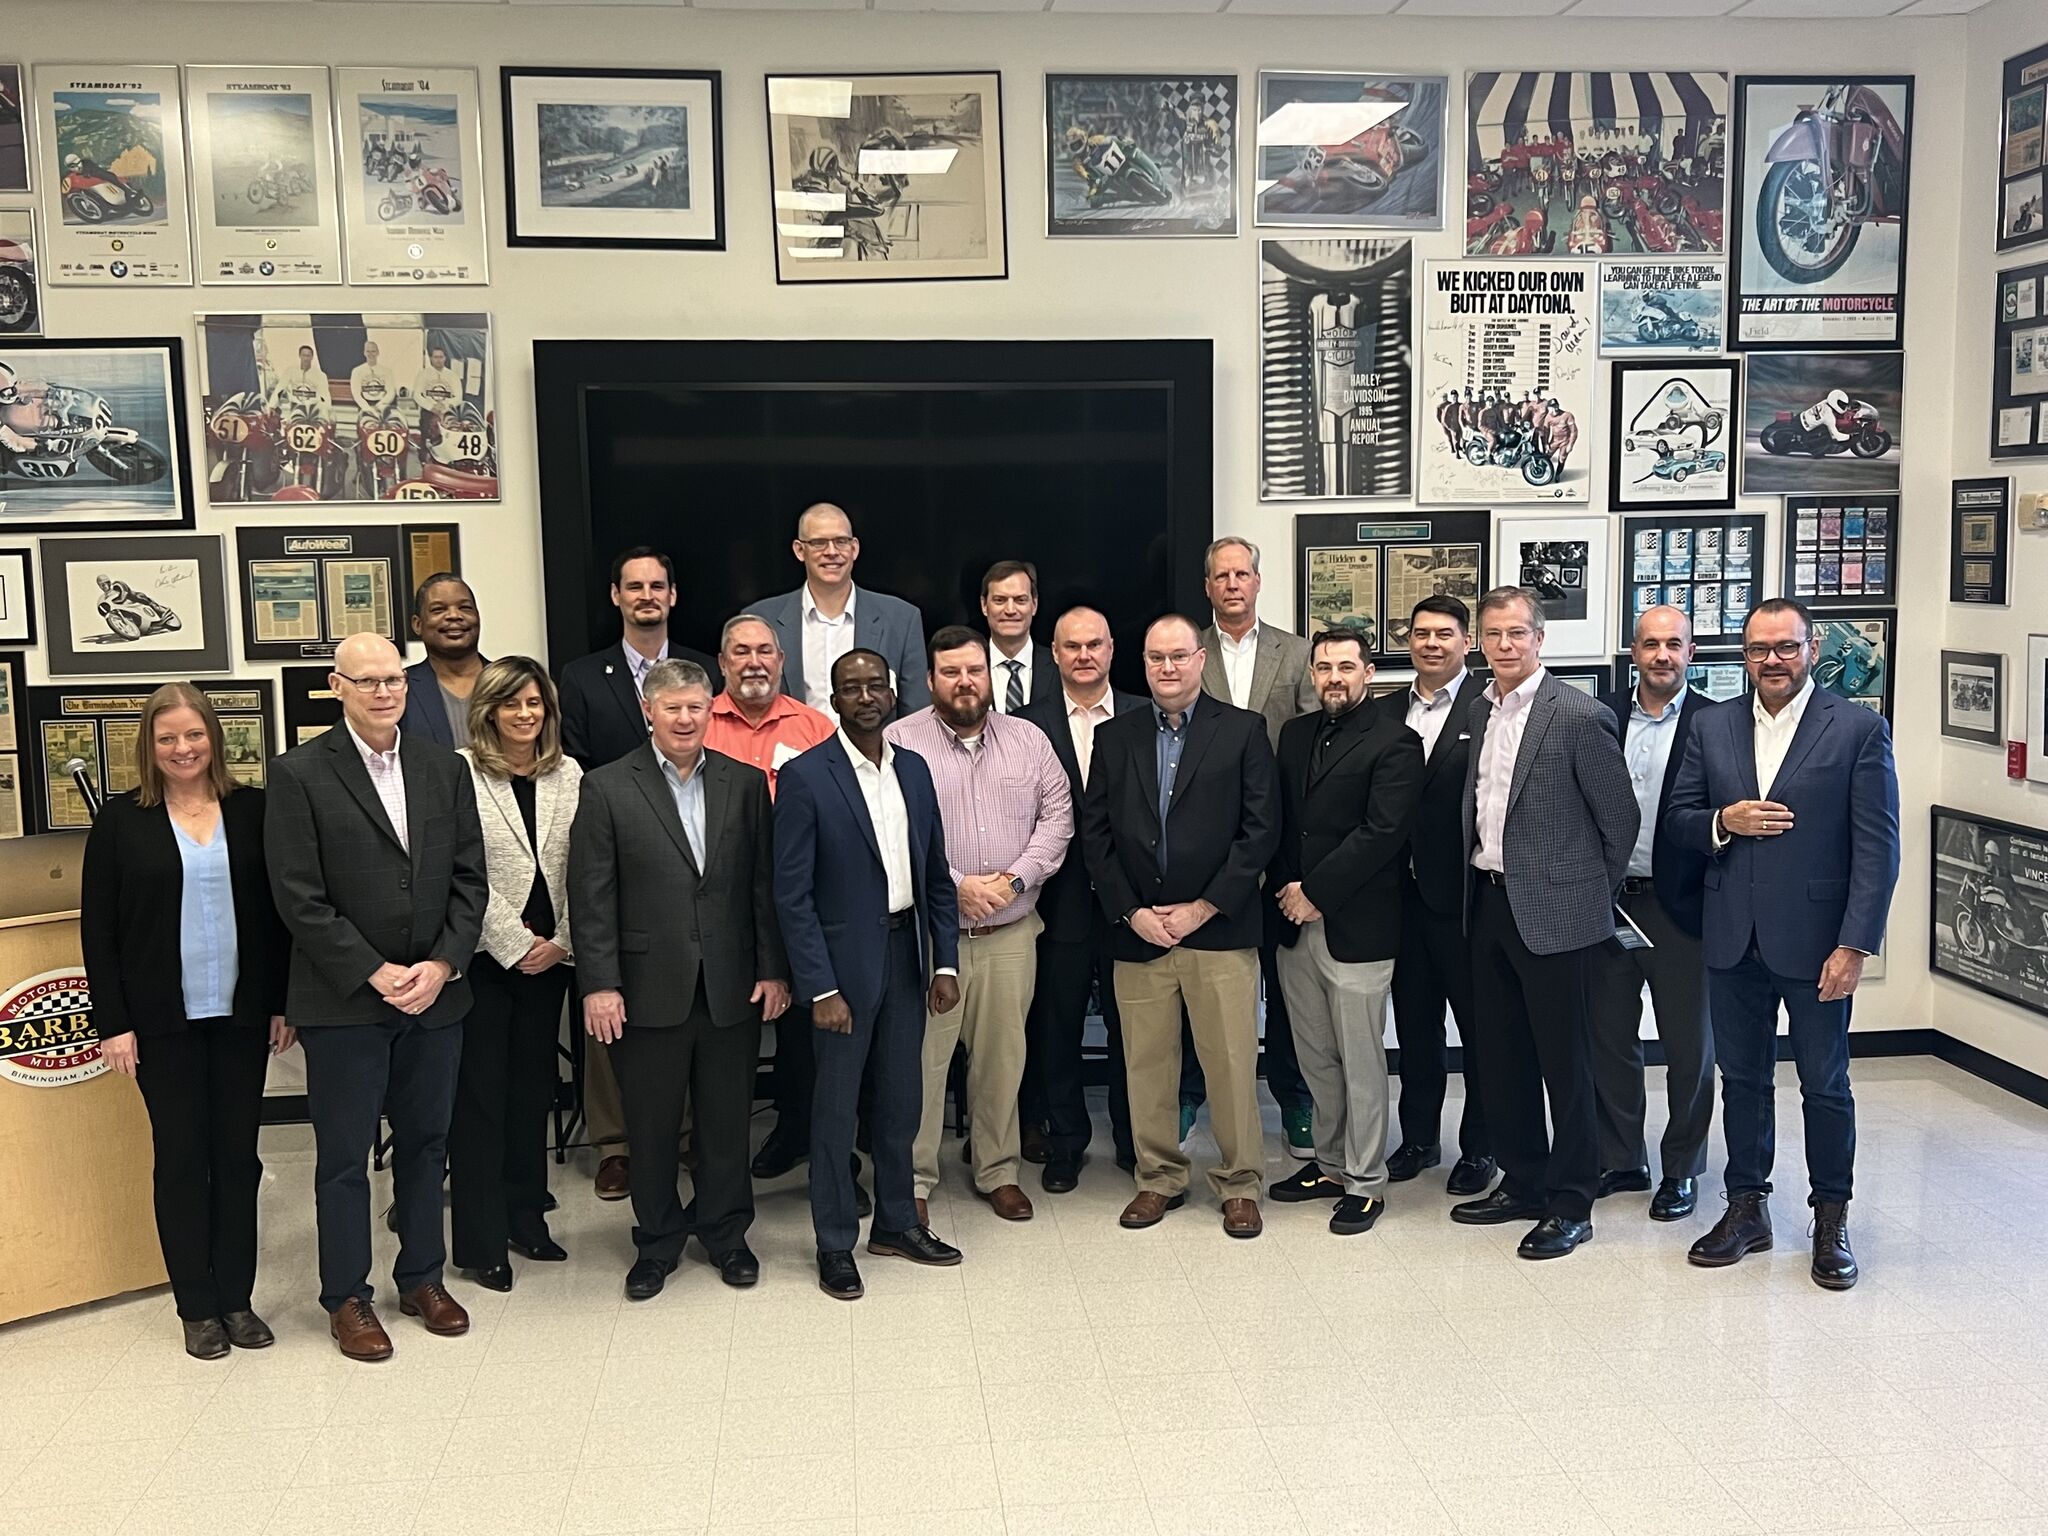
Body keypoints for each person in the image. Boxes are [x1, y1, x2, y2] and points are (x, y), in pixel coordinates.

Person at [265, 632, 487, 1361]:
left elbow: (470, 878)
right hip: (346, 1003)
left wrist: (444, 963)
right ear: (338, 687)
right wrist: (372, 970)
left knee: (427, 1145)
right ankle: (346, 1297)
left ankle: (422, 1278)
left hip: (434, 997)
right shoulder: (299, 773)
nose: (385, 692)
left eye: (394, 679)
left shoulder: (443, 767)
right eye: (368, 681)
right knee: (343, 1157)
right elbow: (297, 896)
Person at [1667, 599, 1901, 1289]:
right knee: (1741, 1080)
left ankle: (1830, 1220)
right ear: (1743, 655)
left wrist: (1855, 944)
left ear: (1811, 649)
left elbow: (1878, 849)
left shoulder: (1857, 728)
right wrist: (1723, 820)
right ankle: (1747, 1209)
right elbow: (1678, 819)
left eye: (1786, 647)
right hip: (1732, 937)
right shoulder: (1711, 724)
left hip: (1817, 943)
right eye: (1758, 649)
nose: (1772, 660)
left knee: (1825, 1085)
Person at [80, 684, 294, 1361]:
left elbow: (279, 916)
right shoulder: (122, 821)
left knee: (237, 1158)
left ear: (214, 739)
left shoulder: (254, 809)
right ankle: (196, 1306)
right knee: (180, 1159)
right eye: (167, 737)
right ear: (149, 746)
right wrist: (113, 1023)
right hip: (159, 1023)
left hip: (240, 1016)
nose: (182, 748)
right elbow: (99, 930)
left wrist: (282, 1001)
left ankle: (236, 1298)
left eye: (194, 734)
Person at [571, 659, 790, 1299]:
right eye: (673, 708)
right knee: (652, 1127)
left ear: (709, 709)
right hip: (644, 989)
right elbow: (591, 896)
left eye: (696, 707)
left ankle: (727, 1234)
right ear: (649, 711)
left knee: (726, 1123)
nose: (686, 719)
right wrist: (600, 984)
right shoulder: (607, 787)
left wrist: (773, 970)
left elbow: (762, 886)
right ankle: (658, 1241)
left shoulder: (743, 783)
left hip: (731, 985)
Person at [1452, 587, 1637, 1261]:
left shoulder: (1578, 715)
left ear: (1540, 639)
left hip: (1560, 915)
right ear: (1481, 641)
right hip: (1489, 903)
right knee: (1503, 1058)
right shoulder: (1480, 708)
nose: (1504, 645)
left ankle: (1572, 1201)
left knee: (1567, 1064)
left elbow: (1619, 822)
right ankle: (1525, 1180)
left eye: (1517, 633)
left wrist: (1582, 896)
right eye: (1493, 634)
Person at [1082, 614, 1280, 1238]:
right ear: (1142, 663)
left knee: (1230, 1065)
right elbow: (1095, 835)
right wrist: (1132, 912)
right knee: (1146, 1065)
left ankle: (1240, 1183)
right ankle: (1159, 1177)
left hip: (1218, 931)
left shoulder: (1243, 730)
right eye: (1155, 658)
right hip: (1139, 933)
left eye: (1178, 656)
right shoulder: (1115, 737)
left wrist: (1203, 907)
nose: (1166, 668)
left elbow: (1260, 832)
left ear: (1200, 659)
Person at [774, 649, 962, 1300]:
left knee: (901, 1103)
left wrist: (944, 961)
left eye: (874, 686)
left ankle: (897, 1223)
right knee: (834, 1115)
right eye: (850, 688)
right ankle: (834, 1243)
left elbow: (936, 874)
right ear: (834, 700)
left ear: (893, 693)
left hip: (906, 957)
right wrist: (820, 987)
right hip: (841, 973)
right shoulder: (806, 777)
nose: (865, 697)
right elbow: (791, 896)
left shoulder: (914, 769)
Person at [885, 627, 1072, 1223]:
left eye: (974, 670)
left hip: (1011, 934)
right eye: (951, 672)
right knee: (922, 1064)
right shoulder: (899, 741)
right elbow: (891, 829)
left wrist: (1013, 881)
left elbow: (1058, 818)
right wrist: (956, 884)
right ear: (930, 680)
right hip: (930, 939)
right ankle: (913, 1179)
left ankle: (998, 1171)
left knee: (1002, 1062)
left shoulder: (1029, 739)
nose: (965, 682)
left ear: (989, 676)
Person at [556, 545, 713, 1198]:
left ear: (673, 595)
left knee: (690, 999)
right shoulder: (582, 675)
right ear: (616, 596)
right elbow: (575, 764)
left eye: (657, 585)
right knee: (608, 992)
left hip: (694, 856)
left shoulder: (705, 667)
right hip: (616, 847)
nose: (647, 595)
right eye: (634, 586)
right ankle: (615, 1143)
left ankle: (686, 1135)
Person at [1268, 628, 1423, 1235]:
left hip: (1357, 927)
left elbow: (1382, 834)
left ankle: (1365, 1181)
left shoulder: (1395, 741)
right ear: (1311, 674)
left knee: (1360, 1061)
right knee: (1316, 1058)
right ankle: (1330, 1165)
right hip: (1294, 924)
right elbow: (1283, 823)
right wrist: (1290, 891)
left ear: (1368, 673)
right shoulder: (1294, 734)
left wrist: (1315, 893)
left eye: (1346, 666)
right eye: (1324, 667)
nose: (1334, 677)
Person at [449, 658, 582, 1293]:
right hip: (485, 963)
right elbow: (461, 869)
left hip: (551, 962)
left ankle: (527, 1218)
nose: (525, 714)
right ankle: (482, 1242)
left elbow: (588, 864)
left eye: (535, 703)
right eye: (512, 703)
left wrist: (561, 943)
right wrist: (515, 942)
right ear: (490, 711)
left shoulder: (569, 774)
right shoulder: (460, 772)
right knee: (481, 1101)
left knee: (533, 1093)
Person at [702, 613, 839, 1182]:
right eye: (741, 652)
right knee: (725, 1028)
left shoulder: (815, 727)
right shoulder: (697, 723)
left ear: (782, 661)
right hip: (720, 905)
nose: (754, 662)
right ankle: (717, 1158)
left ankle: (803, 1134)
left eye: (764, 651)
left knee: (806, 1032)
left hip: (802, 902)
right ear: (722, 662)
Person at [1590, 606, 1716, 1222]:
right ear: (1633, 651)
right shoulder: (1600, 716)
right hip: (1608, 903)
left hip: (1681, 907)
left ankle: (1682, 1169)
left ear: (1691, 652)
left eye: (1673, 644)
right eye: (1650, 644)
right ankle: (1622, 1158)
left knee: (1689, 1047)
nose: (1661, 655)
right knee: (1609, 1039)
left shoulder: (1717, 723)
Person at [1017, 606, 1147, 1191]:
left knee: (1134, 1029)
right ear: (1055, 654)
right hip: (1058, 901)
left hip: (1133, 902)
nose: (1084, 655)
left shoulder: (1146, 713)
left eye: (1095, 644)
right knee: (1057, 1025)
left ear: (1112, 649)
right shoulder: (1026, 724)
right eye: (1072, 646)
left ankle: (1134, 1141)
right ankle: (1066, 1141)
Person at [1196, 536, 1318, 1159]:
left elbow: (1311, 741)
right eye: (1222, 576)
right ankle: (1192, 1092)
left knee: (1285, 980)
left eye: (1242, 574)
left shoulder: (1296, 653)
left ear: (1258, 581)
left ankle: (1294, 1097)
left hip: (1280, 841)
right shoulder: (1188, 653)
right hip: (1206, 845)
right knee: (1202, 976)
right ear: (1208, 587)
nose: (1233, 585)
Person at [1376, 596, 1494, 1195]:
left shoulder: (1489, 704)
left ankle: (1481, 1148)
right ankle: (1419, 1139)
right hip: (1401, 899)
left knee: (1479, 1031)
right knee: (1416, 1029)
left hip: (1467, 900)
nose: (1430, 644)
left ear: (1466, 641)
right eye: (1420, 634)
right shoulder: (1385, 710)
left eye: (1444, 634)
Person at [752, 503, 928, 716]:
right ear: (799, 550)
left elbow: (916, 715)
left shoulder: (901, 618)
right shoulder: (761, 620)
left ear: (854, 548)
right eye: (819, 543)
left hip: (877, 739)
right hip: (790, 739)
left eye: (841, 541)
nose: (831, 552)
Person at [400, 573, 485, 749]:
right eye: (438, 610)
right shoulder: (400, 688)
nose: (454, 615)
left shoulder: (511, 681)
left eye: (465, 608)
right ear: (417, 624)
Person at [981, 560, 1053, 714]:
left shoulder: (1059, 667)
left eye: (1020, 600)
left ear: (1034, 605)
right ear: (984, 605)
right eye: (999, 600)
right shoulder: (967, 669)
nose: (1010, 610)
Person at [409, 343, 461, 430]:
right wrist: (431, 406)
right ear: (431, 358)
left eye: (441, 357)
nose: (438, 360)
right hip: (428, 413)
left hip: (448, 413)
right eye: (435, 357)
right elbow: (417, 395)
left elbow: (458, 397)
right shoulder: (423, 374)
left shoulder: (453, 376)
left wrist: (445, 405)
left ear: (445, 358)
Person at [348, 338, 395, 419]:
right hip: (365, 405)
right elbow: (356, 393)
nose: (371, 354)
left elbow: (391, 392)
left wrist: (380, 406)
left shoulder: (387, 371)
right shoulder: (357, 371)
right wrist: (367, 408)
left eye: (373, 351)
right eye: (368, 351)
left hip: (382, 405)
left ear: (378, 352)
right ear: (364, 353)